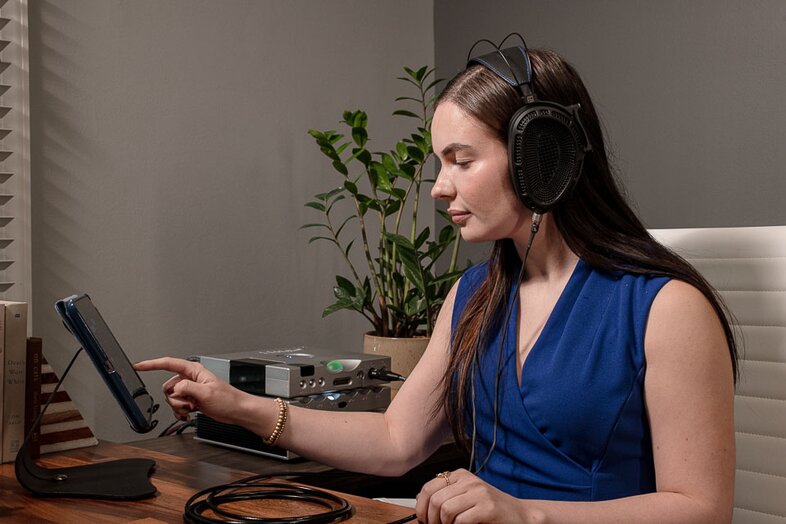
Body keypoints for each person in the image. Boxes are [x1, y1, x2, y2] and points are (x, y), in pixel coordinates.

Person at [135, 43, 737, 523]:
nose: (438, 188)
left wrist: (527, 515)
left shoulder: (666, 308)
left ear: (542, 159)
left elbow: (701, 508)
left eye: (461, 160)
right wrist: (236, 405)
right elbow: (399, 439)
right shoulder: (473, 296)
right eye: (438, 163)